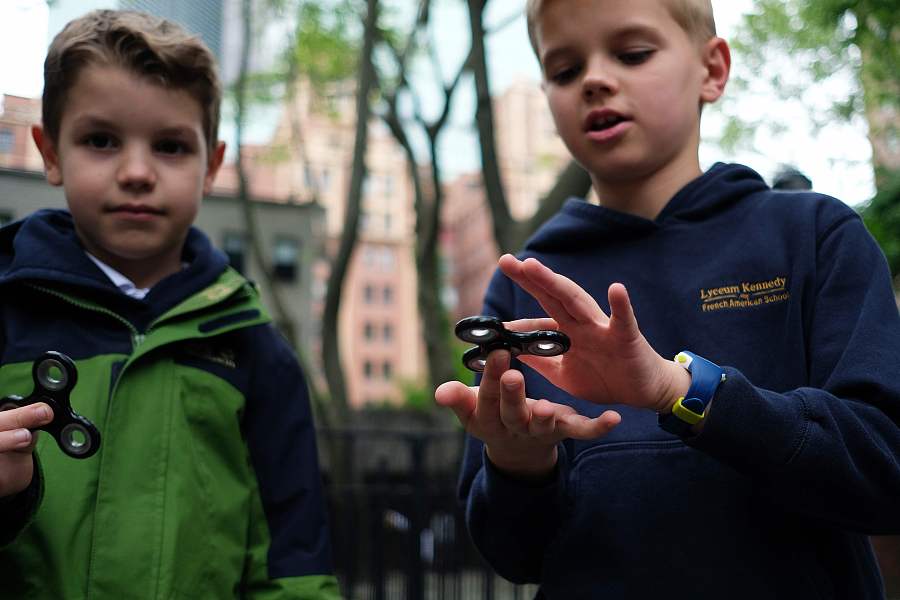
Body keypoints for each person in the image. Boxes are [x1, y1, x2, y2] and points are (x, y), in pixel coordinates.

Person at [435, 1, 900, 598]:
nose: (595, 80)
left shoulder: (815, 237)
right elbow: (513, 554)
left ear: (712, 69)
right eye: (564, 70)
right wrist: (518, 463)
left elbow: (885, 469)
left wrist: (680, 392)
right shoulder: (527, 280)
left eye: (632, 54)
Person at [0, 10, 341, 598]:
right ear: (50, 152)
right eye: (101, 140)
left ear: (211, 165)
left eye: (170, 146)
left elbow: (295, 561)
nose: (137, 172)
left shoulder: (258, 352)